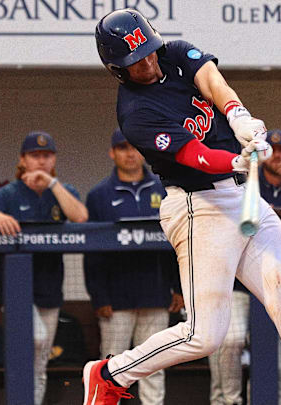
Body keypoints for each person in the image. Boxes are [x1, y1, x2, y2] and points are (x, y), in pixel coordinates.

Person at [85, 8, 281, 405]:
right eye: (135, 61)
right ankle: (111, 373)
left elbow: (211, 80)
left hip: (242, 196)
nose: (146, 61)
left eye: (147, 50)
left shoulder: (173, 53)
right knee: (205, 335)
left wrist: (239, 115)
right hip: (199, 207)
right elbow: (193, 154)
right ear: (117, 70)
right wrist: (235, 160)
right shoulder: (135, 113)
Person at [208, 129, 281, 405]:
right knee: (231, 340)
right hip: (238, 280)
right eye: (273, 151)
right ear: (263, 155)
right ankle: (228, 401)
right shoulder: (248, 181)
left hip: (276, 283)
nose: (279, 157)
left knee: (270, 351)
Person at [0, 131, 88, 405]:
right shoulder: (10, 193)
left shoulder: (63, 191)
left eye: (46, 156)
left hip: (49, 284)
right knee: (32, 341)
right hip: (15, 286)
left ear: (54, 160)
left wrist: (52, 183)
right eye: (34, 156)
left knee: (40, 362)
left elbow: (81, 217)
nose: (40, 161)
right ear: (22, 160)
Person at [83, 128, 184, 405]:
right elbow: (92, 253)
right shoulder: (99, 195)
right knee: (111, 368)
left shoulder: (164, 188)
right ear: (112, 153)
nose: (130, 153)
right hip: (116, 299)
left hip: (156, 293)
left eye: (135, 147)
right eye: (123, 148)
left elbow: (178, 243)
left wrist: (178, 288)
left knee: (155, 366)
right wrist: (99, 296)